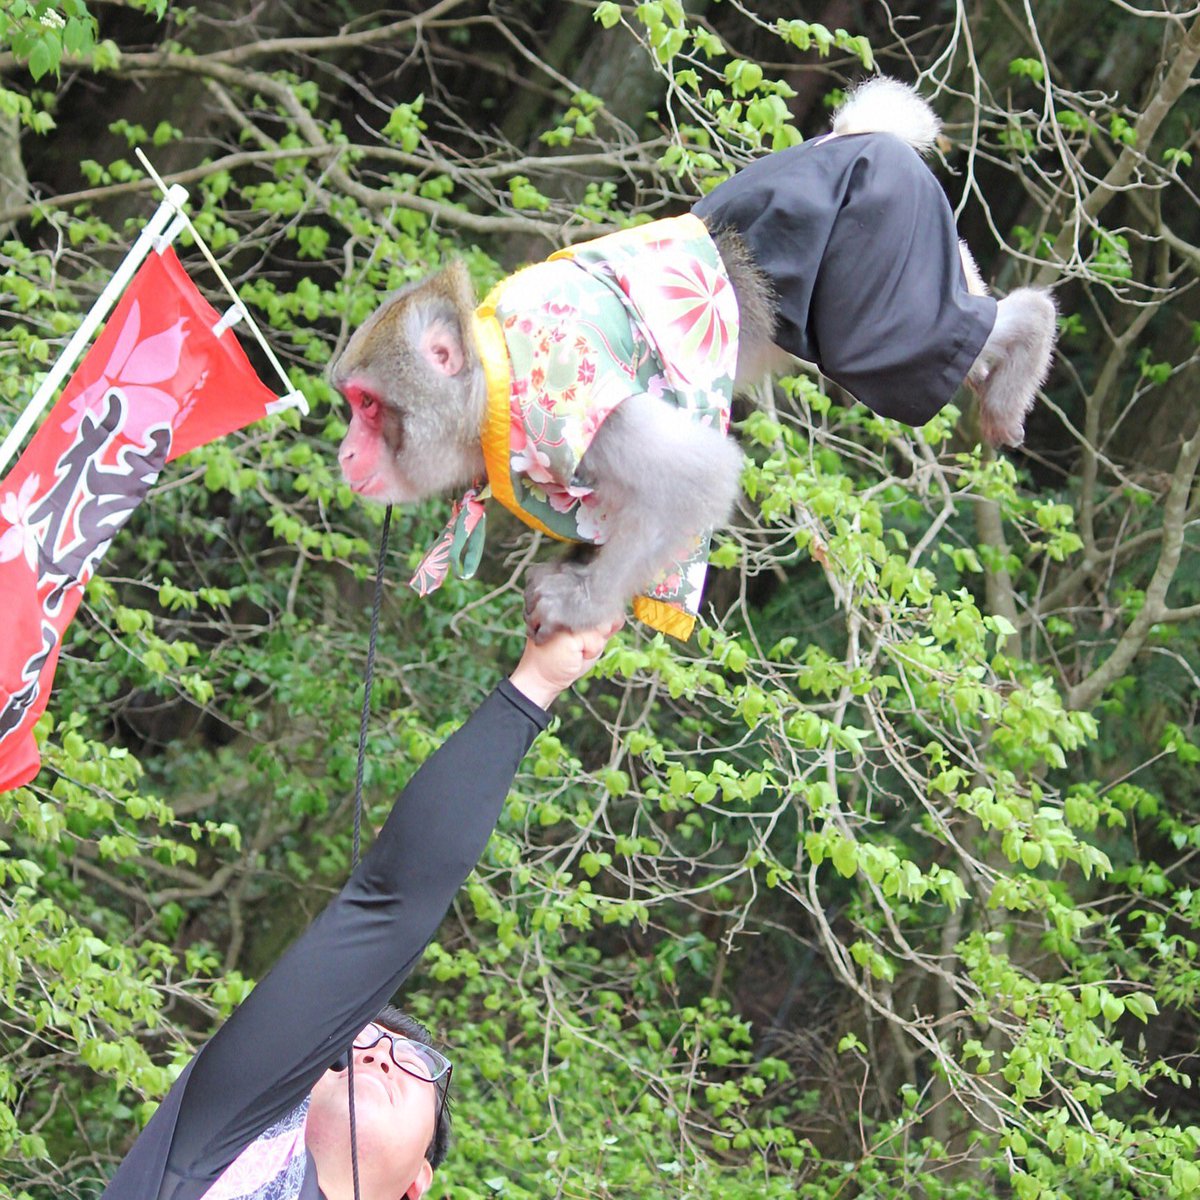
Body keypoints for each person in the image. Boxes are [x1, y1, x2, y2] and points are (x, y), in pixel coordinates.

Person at [101, 620, 619, 1200]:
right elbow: (389, 908)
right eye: (347, 1046)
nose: (375, 1052)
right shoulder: (219, 1150)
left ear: (416, 1184)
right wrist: (536, 683)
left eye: (412, 1057)